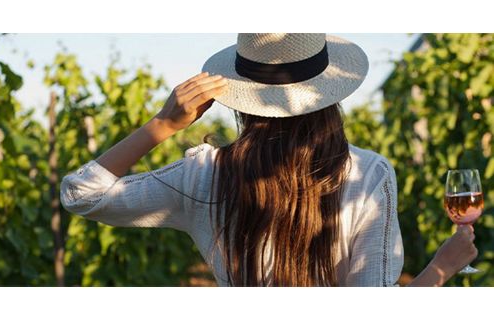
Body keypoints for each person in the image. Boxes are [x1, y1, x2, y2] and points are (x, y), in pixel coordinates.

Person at [60, 33, 478, 286]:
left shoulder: (204, 174)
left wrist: (165, 123)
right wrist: (442, 266)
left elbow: (80, 194)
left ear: (241, 97)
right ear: (328, 93)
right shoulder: (367, 174)